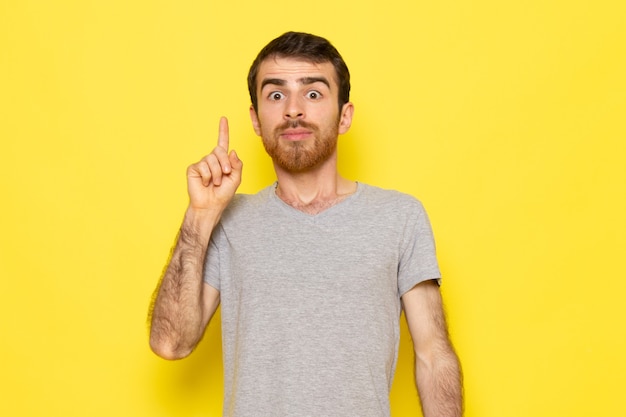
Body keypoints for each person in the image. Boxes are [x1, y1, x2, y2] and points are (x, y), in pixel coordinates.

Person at [149, 31, 463, 417]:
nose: (293, 110)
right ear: (256, 119)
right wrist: (200, 215)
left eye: (313, 94)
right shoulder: (227, 220)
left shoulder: (399, 217)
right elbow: (169, 343)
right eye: (276, 95)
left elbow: (434, 355)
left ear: (344, 116)